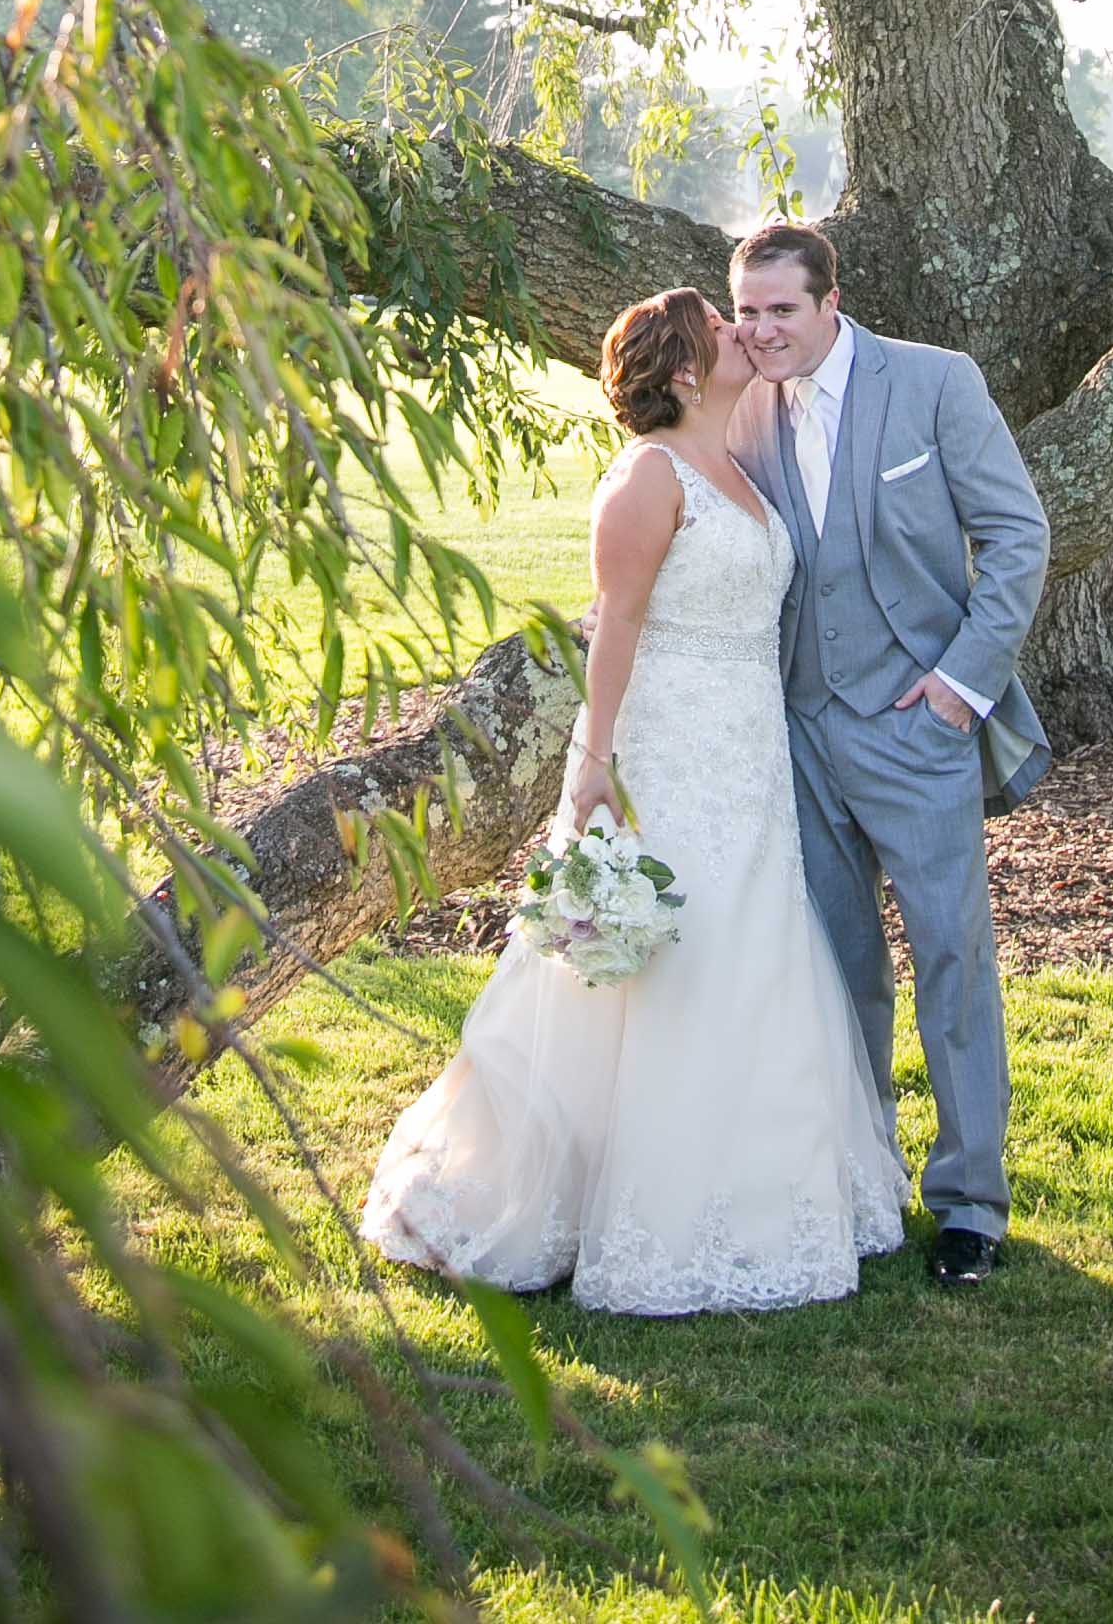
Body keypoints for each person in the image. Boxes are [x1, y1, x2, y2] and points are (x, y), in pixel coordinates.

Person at [360, 284, 905, 1314]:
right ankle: (594, 1199)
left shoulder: (734, 460)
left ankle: (759, 1189)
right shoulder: (649, 476)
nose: (743, 335)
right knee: (664, 961)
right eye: (723, 329)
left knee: (752, 948)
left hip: (748, 753)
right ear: (688, 371)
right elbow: (613, 627)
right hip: (668, 749)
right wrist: (594, 761)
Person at [726, 221, 1050, 1287]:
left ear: (832, 303)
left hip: (919, 726)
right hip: (799, 727)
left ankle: (970, 1205)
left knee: (952, 957)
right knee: (838, 968)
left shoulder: (934, 383)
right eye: (748, 310)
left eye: (782, 309)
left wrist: (962, 685)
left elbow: (1018, 535)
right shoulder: (741, 400)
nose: (762, 330)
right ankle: (862, 1180)